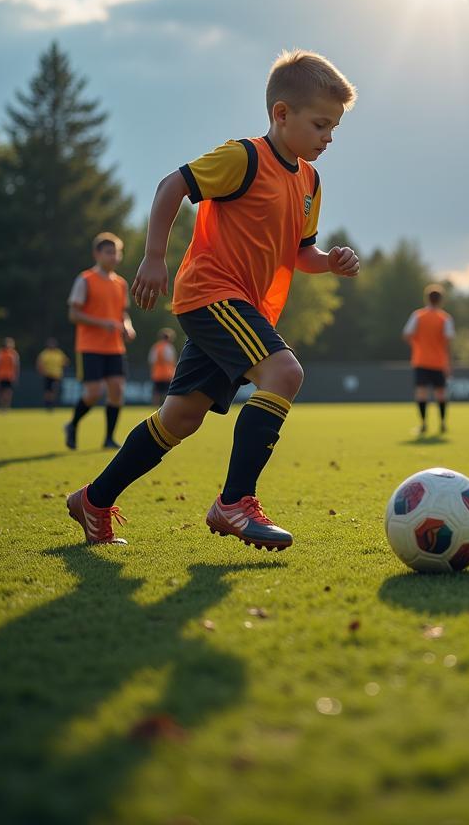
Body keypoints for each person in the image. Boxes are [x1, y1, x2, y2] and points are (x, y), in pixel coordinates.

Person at [65, 48, 359, 547]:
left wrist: (329, 260)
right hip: (211, 295)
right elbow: (169, 187)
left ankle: (93, 499)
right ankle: (233, 503)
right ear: (281, 115)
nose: (329, 137)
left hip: (239, 307)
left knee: (180, 418)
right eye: (320, 124)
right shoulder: (244, 156)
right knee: (284, 372)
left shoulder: (309, 180)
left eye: (334, 127)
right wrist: (154, 257)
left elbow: (301, 252)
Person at [64, 233, 136, 450]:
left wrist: (128, 327)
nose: (114, 256)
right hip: (90, 346)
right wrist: (102, 323)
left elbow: (123, 314)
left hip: (115, 346)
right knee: (93, 393)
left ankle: (108, 438)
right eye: (109, 252)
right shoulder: (85, 279)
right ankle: (73, 425)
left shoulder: (121, 283)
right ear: (97, 254)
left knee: (117, 390)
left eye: (117, 252)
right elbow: (74, 314)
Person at [402, 284, 454, 435]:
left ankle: (423, 424)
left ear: (427, 298)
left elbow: (406, 334)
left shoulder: (418, 315)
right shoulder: (445, 318)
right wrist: (448, 363)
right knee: (441, 393)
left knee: (421, 393)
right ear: (441, 300)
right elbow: (448, 341)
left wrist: (417, 343)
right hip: (439, 361)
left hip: (421, 360)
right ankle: (443, 423)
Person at [36, 337, 69, 412]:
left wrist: (62, 365)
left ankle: (51, 405)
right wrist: (41, 371)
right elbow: (39, 363)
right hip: (47, 375)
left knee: (53, 391)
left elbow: (65, 361)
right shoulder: (44, 353)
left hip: (56, 375)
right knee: (47, 391)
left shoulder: (59, 353)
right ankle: (47, 405)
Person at [149, 328, 178, 406]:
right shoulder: (169, 347)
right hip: (168, 374)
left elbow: (152, 361)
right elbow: (172, 360)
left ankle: (155, 410)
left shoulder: (156, 347)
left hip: (157, 374)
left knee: (157, 393)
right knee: (167, 393)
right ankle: (166, 408)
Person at [0, 338, 19, 412]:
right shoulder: (2, 353)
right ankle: (3, 407)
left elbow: (15, 366)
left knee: (5, 392)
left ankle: (5, 408)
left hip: (7, 376)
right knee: (3, 392)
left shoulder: (12, 354)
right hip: (2, 376)